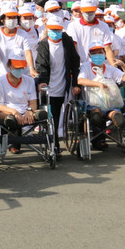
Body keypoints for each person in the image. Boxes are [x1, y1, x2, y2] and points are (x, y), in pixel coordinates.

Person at [34, 13, 80, 149]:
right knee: (51, 115)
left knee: (58, 114)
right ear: (47, 29)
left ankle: (55, 142)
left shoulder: (67, 41)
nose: (55, 32)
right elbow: (41, 64)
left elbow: (75, 62)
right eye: (52, 29)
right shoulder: (43, 44)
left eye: (58, 29)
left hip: (62, 84)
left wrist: (76, 83)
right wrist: (42, 82)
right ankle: (54, 144)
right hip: (49, 85)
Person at [77, 44, 125, 147]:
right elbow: (80, 80)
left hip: (111, 103)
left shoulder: (110, 69)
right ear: (90, 55)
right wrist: (98, 84)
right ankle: (99, 139)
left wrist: (123, 65)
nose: (97, 56)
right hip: (93, 103)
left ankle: (118, 119)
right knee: (97, 115)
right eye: (94, 54)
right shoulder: (86, 67)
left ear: (104, 54)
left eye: (100, 53)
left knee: (115, 113)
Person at [0, 56, 45, 153]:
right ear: (9, 65)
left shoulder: (29, 80)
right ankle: (13, 143)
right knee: (11, 118)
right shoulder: (0, 81)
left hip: (26, 111)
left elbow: (33, 102)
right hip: (7, 112)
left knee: (41, 114)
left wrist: (30, 110)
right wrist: (14, 112)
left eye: (21, 67)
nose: (19, 70)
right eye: (17, 67)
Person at [0, 3, 36, 81]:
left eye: (14, 17)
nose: (12, 20)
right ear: (2, 19)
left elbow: (27, 52)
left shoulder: (23, 34)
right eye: (9, 17)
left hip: (21, 74)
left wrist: (31, 69)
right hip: (2, 75)